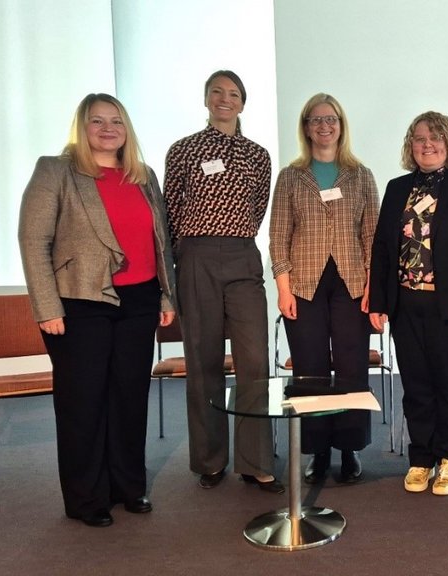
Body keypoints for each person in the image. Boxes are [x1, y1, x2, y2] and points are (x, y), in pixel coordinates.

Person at [19, 93, 176, 527]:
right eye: (97, 122)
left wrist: (165, 296)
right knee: (83, 402)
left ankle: (129, 487)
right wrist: (46, 307)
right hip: (78, 302)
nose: (108, 129)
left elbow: (159, 242)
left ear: (126, 129)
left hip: (139, 300)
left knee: (129, 398)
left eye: (116, 122)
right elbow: (34, 242)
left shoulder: (142, 177)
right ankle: (87, 499)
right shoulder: (56, 171)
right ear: (82, 127)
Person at [163, 70, 282, 493]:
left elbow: (258, 208)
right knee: (203, 362)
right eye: (217, 92)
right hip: (195, 257)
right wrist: (179, 264)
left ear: (243, 103)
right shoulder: (182, 150)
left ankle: (255, 461)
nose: (224, 99)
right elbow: (169, 212)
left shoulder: (258, 155)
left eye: (233, 94)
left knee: (254, 363)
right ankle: (210, 459)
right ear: (206, 98)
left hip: (242, 254)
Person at [369, 111, 448, 496]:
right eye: (420, 138)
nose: (428, 144)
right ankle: (421, 458)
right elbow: (383, 249)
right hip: (406, 304)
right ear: (411, 145)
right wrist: (378, 301)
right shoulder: (396, 187)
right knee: (417, 385)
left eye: (436, 137)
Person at [268, 93, 379, 484]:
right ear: (306, 127)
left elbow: (372, 236)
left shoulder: (361, 174)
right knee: (311, 371)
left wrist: (373, 288)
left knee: (351, 367)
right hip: (304, 285)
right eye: (315, 120)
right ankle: (316, 452)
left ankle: (348, 450)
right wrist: (283, 290)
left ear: (340, 125)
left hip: (351, 283)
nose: (324, 126)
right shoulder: (291, 176)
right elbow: (279, 237)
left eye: (330, 119)